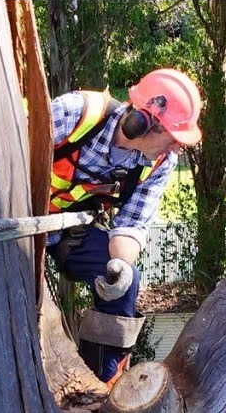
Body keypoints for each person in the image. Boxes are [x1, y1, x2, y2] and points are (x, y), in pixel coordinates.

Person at [47, 68, 203, 386]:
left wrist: (119, 266)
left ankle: (101, 385)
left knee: (126, 282)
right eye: (173, 139)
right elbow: (3, 157)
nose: (176, 150)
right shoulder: (75, 114)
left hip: (67, 230)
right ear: (140, 123)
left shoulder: (160, 163)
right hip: (13, 220)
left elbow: (132, 222)